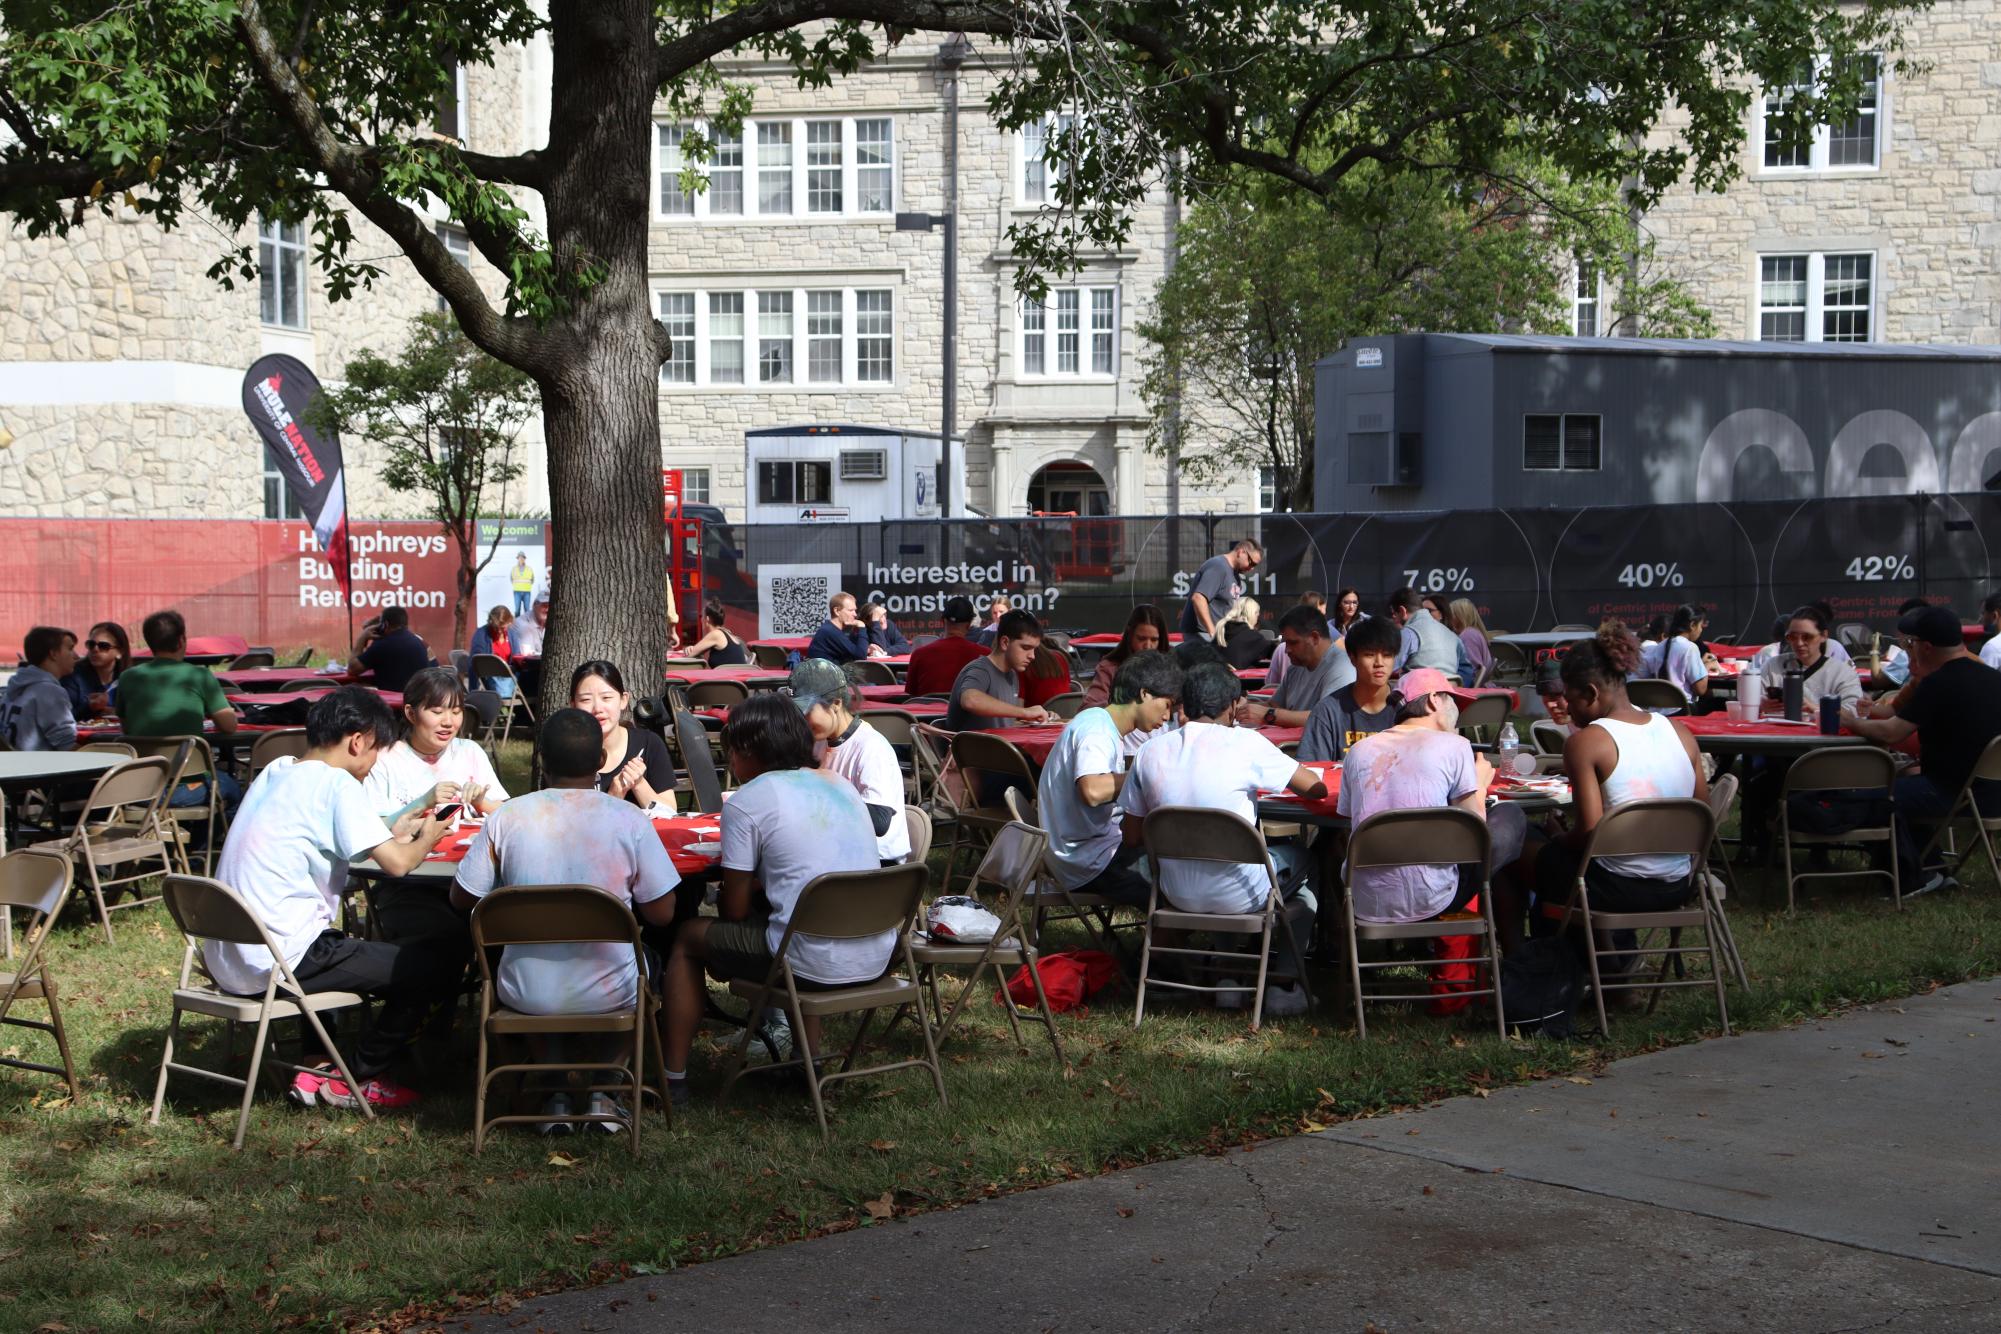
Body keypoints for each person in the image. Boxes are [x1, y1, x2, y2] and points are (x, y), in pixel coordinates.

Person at [207, 687, 455, 1110]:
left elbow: (349, 833)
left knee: (329, 936)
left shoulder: (280, 770)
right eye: (376, 748)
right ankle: (359, 1075)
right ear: (358, 741)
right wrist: (429, 835)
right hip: (279, 960)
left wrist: (400, 824)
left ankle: (314, 1064)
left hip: (229, 957)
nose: (375, 761)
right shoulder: (337, 784)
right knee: (431, 966)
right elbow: (396, 865)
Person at [450, 707, 679, 1132]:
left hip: (524, 991)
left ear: (540, 760)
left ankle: (555, 1087)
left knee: (543, 972)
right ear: (599, 763)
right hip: (612, 990)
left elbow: (463, 898)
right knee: (651, 967)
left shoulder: (507, 817)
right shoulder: (629, 820)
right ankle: (606, 1089)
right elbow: (663, 914)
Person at [661, 694, 885, 1106]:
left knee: (687, 938)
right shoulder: (841, 786)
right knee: (803, 921)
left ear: (746, 749)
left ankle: (672, 1076)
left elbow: (734, 911)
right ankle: (806, 1062)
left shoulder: (748, 802)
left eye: (729, 750)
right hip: (875, 950)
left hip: (809, 960)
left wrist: (738, 886)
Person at [1523, 626, 1706, 955]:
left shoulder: (1585, 743)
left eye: (1570, 696)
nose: (1566, 706)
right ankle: (1611, 967)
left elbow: (1589, 835)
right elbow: (1702, 815)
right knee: (1567, 869)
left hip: (1614, 887)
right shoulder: (1680, 732)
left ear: (1591, 694)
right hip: (1678, 884)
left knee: (1519, 854)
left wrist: (1557, 837)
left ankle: (1524, 966)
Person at [1122, 660, 1327, 947]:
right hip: (1242, 893)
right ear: (1232, 707)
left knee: (1232, 861)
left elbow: (1131, 835)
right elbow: (1315, 788)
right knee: (1308, 859)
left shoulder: (1149, 751)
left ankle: (1224, 972)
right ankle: (1287, 979)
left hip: (1173, 891)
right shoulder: (1246, 743)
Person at [1338, 667, 1529, 940]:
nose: (1458, 714)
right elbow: (1475, 833)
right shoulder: (1456, 745)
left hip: (1367, 900)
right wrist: (1481, 783)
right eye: (1454, 702)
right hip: (1434, 897)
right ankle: (1513, 947)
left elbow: (1350, 821)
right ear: (1433, 700)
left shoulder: (1358, 751)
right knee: (1511, 816)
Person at [1843, 604, 2001, 895]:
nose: (1909, 650)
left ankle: (1914, 876)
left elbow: (1892, 730)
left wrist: (1851, 721)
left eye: (1911, 644)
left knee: (1872, 798)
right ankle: (1933, 868)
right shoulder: (1992, 677)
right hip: (1993, 794)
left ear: (1925, 647)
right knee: (1905, 788)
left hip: (1955, 795)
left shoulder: (1938, 683)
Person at [1036, 651, 1182, 908]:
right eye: (1167, 704)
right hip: (1086, 862)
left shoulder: (1101, 724)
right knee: (1182, 884)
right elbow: (1091, 790)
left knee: (1176, 862)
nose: (1167, 717)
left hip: (1086, 852)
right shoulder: (1097, 729)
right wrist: (1144, 775)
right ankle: (1162, 948)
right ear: (1144, 694)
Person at [788, 659, 911, 864]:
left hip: (876, 864)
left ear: (836, 703)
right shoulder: (819, 742)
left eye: (807, 712)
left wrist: (823, 791)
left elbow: (880, 822)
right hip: (836, 852)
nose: (802, 721)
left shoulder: (871, 747)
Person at [119, 609, 241, 813]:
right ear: (182, 640)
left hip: (141, 788)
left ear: (149, 643)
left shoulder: (127, 678)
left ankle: (186, 843)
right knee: (236, 791)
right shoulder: (200, 676)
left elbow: (126, 728)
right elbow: (229, 726)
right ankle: (204, 844)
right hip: (191, 787)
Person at [362, 667, 508, 821]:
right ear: (411, 714)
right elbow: (375, 829)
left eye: (456, 712)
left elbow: (509, 816)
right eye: (437, 712)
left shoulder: (470, 752)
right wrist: (423, 803)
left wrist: (481, 803)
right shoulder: (384, 760)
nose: (448, 722)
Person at [571, 660, 676, 808]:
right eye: (586, 700)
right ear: (573, 706)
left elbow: (670, 813)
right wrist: (614, 796)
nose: (597, 708)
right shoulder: (566, 753)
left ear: (623, 700)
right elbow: (566, 823)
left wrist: (639, 784)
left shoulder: (649, 743)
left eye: (606, 698)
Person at [1299, 614, 1403, 762]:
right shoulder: (1327, 712)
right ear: (1352, 658)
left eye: (1387, 655)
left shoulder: (1406, 708)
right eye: (1369, 655)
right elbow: (1312, 769)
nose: (1379, 663)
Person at [1232, 603, 1350, 729]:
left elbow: (1327, 718)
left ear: (1315, 637)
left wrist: (1268, 715)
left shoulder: (1342, 667)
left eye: (1293, 643)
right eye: (1286, 643)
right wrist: (1245, 707)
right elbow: (1275, 705)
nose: (1287, 650)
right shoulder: (1297, 666)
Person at [942, 609, 1049, 732]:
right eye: (1026, 648)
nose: (1032, 656)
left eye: (1034, 649)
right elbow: (970, 700)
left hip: (996, 749)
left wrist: (1036, 718)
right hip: (972, 750)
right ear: (1005, 642)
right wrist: (1025, 712)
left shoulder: (1012, 675)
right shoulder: (980, 669)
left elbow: (1003, 724)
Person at [1757, 605, 1863, 718]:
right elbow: (1747, 704)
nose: (1799, 643)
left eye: (1807, 637)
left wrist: (1816, 709)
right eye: (1792, 637)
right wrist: (1759, 705)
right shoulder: (1772, 666)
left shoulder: (1842, 672)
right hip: (1776, 732)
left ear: (1824, 636)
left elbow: (1856, 711)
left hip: (1824, 732)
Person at [1, 627, 79, 751]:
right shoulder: (50, 691)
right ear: (53, 653)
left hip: (13, 766)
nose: (76, 655)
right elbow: (67, 744)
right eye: (70, 648)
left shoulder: (14, 687)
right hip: (40, 767)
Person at [1083, 604, 1169, 708]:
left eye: (1154, 640)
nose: (1148, 646)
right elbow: (1089, 708)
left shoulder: (1171, 666)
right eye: (1141, 639)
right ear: (1130, 635)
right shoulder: (1109, 668)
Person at [1179, 538, 1262, 644]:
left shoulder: (1234, 575)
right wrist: (1213, 632)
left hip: (1216, 638)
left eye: (1255, 566)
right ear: (1241, 552)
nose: (1251, 568)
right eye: (1251, 563)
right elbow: (1198, 598)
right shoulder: (1219, 567)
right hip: (1202, 637)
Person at [905, 596, 988, 697]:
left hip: (927, 712)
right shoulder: (985, 656)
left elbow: (910, 695)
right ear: (969, 624)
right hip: (967, 712)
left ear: (942, 621)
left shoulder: (919, 654)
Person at [1387, 587, 1468, 679]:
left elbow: (1389, 666)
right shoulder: (1453, 636)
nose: (1393, 617)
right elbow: (1467, 669)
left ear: (1402, 611)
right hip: (1450, 690)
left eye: (1394, 613)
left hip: (1419, 690)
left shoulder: (1408, 633)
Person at [349, 605, 432, 694]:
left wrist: (363, 637)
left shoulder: (382, 645)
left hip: (395, 702)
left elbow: (352, 669)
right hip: (421, 699)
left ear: (385, 625)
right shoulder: (419, 641)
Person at [64, 621, 129, 721]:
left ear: (120, 652)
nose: (95, 649)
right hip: (83, 735)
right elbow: (63, 718)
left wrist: (117, 712)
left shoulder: (128, 677)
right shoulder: (74, 676)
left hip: (118, 734)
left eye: (103, 646)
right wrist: (89, 707)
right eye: (91, 644)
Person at [1265, 592, 1327, 692]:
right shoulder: (1282, 650)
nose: (1288, 650)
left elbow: (1270, 685)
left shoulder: (1281, 649)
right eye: (1321, 615)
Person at [807, 592, 884, 664]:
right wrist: (862, 627)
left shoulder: (831, 629)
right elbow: (860, 656)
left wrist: (866, 649)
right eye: (851, 610)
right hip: (824, 676)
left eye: (855, 610)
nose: (855, 614)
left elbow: (854, 651)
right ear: (837, 611)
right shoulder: (830, 631)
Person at [1658, 603, 1712, 704]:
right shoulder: (1690, 647)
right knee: (1720, 702)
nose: (1701, 630)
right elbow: (1701, 689)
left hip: (1658, 709)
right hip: (1683, 709)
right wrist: (1706, 667)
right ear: (1692, 625)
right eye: (1701, 626)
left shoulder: (1659, 646)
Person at [469, 605, 517, 697]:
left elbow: (517, 656)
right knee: (502, 686)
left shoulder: (512, 634)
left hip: (510, 674)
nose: (499, 631)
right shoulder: (481, 634)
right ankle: (504, 708)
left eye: (502, 628)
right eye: (495, 627)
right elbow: (477, 662)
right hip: (490, 675)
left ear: (509, 622)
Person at [684, 599, 748, 666]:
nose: (700, 619)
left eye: (701, 616)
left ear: (707, 619)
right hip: (737, 674)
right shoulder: (727, 632)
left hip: (727, 675)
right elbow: (697, 651)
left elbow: (689, 655)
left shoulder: (716, 634)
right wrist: (693, 649)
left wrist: (689, 649)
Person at [1218, 596, 1274, 670]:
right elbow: (1275, 654)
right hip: (1236, 680)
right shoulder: (1254, 638)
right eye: (1257, 612)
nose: (1258, 616)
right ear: (1251, 614)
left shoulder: (1220, 631)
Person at [1447, 598, 1493, 683]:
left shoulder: (1468, 635)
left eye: (1451, 614)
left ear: (1460, 616)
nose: (1449, 619)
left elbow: (1472, 671)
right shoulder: (1473, 632)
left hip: (1472, 691)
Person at [1022, 640, 1076, 709]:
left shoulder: (1024, 666)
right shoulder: (1060, 656)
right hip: (1068, 713)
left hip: (1040, 717)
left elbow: (1017, 712)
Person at [1979, 592, 2001, 671]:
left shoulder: (1992, 647)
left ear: (1995, 615)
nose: (1980, 619)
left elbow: (1982, 679)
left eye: (1983, 613)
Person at [509, 552, 535, 617]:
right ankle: (517, 624)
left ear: (524, 558)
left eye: (522, 557)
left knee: (527, 610)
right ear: (518, 558)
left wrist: (526, 586)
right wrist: (517, 585)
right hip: (517, 591)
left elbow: (532, 579)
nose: (521, 559)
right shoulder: (514, 569)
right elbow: (511, 579)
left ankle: (527, 624)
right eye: (520, 557)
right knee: (517, 610)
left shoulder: (529, 568)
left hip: (527, 591)